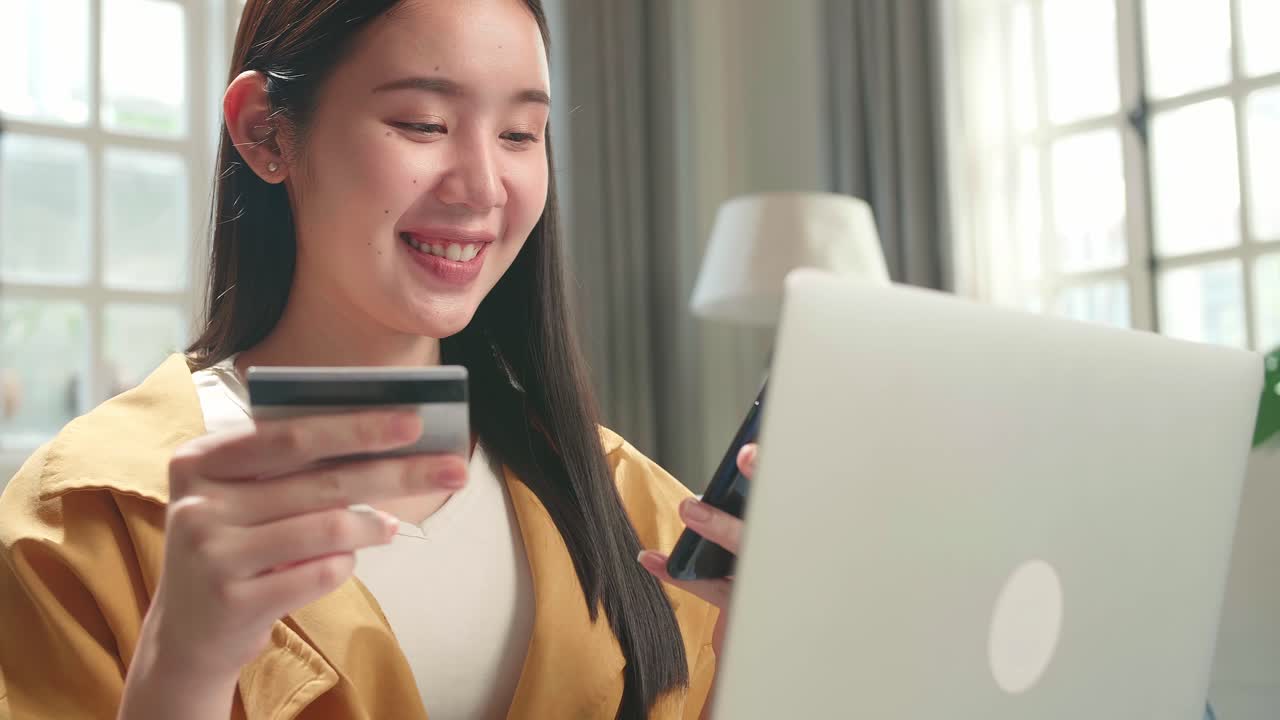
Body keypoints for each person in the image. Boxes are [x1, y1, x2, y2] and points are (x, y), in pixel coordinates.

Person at [0, 2, 748, 718]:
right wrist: (181, 670)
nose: (483, 187)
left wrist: (768, 646)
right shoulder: (88, 515)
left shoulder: (639, 509)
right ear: (263, 131)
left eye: (520, 134)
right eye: (423, 123)